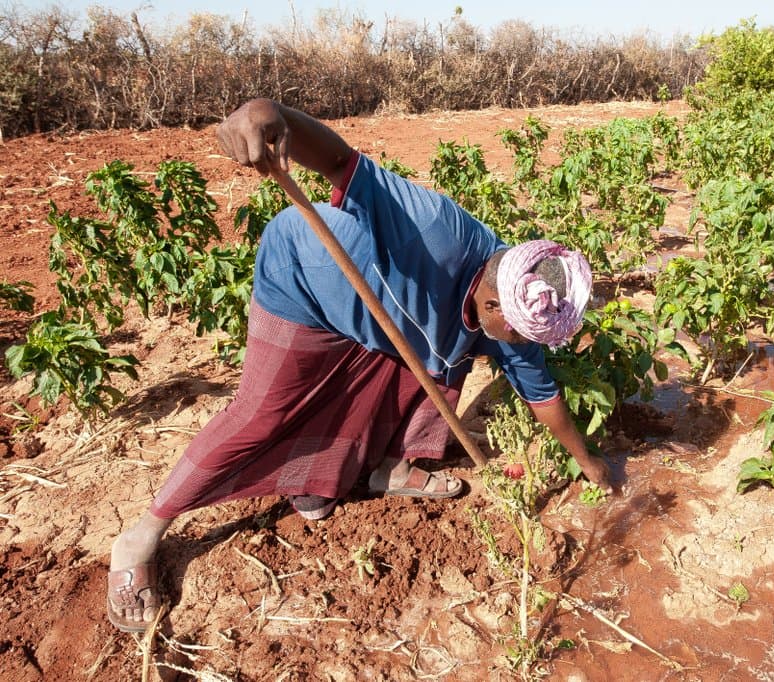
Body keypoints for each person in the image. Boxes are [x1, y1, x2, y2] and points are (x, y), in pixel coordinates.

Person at [106, 98, 612, 632]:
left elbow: (542, 395)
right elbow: (340, 162)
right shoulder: (432, 229)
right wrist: (269, 115)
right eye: (516, 334)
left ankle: (381, 468)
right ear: (492, 304)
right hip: (306, 281)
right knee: (263, 413)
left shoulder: (520, 304)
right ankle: (144, 531)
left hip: (388, 317)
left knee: (439, 368)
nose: (520, 345)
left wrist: (589, 462)